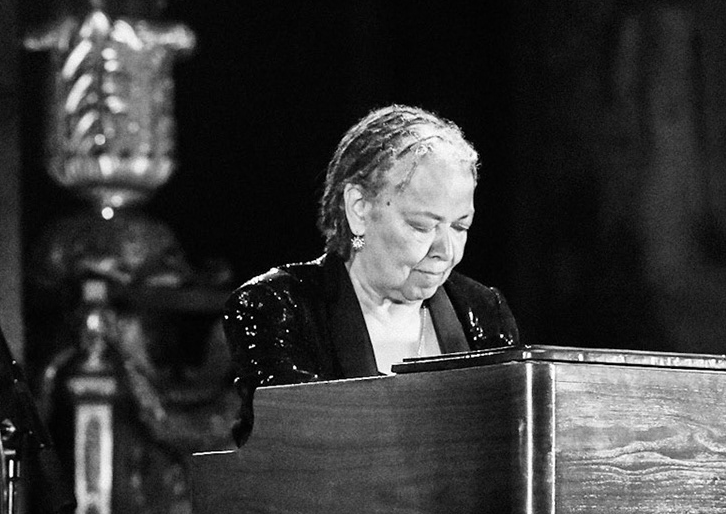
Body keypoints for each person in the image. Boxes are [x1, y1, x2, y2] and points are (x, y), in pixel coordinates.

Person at [222, 105, 519, 443]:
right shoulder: (277, 307)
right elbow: (296, 456)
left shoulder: (484, 311)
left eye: (460, 226)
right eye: (421, 226)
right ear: (359, 208)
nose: (446, 251)